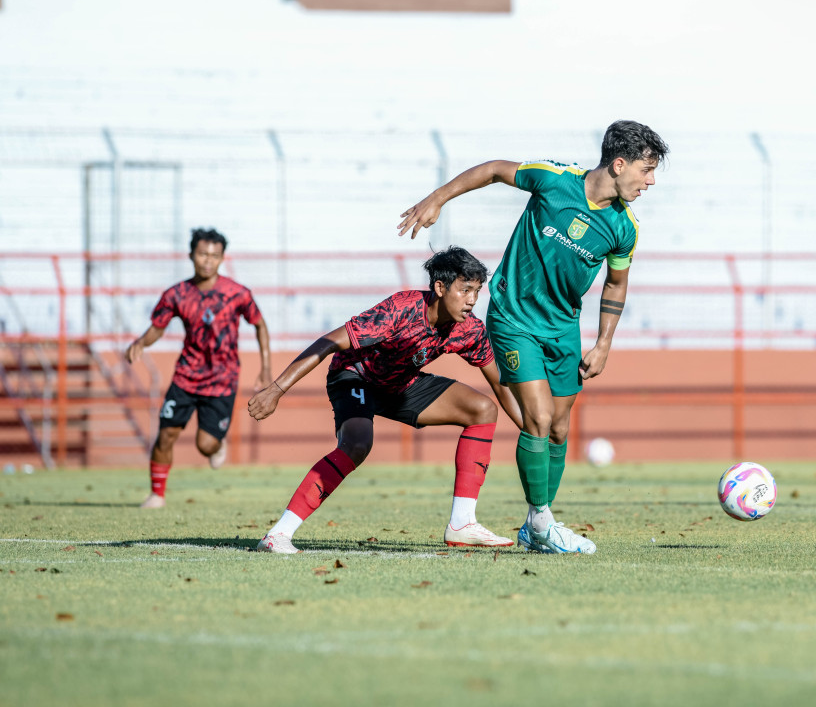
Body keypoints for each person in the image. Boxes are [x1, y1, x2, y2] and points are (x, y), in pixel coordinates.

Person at [397, 120, 669, 554]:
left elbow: (616, 285)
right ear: (619, 165)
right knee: (538, 419)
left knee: (559, 430)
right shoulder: (553, 179)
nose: (651, 181)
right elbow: (492, 170)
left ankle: (533, 526)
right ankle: (544, 523)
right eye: (646, 170)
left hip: (562, 329)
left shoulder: (625, 228)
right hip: (514, 317)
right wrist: (437, 198)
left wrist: (603, 343)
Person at [249, 246, 523, 554]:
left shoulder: (469, 328)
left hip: (399, 384)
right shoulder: (401, 309)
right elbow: (327, 343)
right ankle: (278, 534)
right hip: (355, 376)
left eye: (476, 291)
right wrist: (276, 389)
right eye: (465, 290)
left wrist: (532, 431)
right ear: (440, 287)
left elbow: (500, 384)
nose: (472, 300)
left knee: (482, 409)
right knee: (356, 444)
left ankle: (462, 523)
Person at [126, 227, 271, 508]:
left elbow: (260, 325)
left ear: (222, 259)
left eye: (214, 256)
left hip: (222, 379)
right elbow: (158, 327)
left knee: (205, 445)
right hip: (186, 376)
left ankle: (218, 442)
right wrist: (142, 343)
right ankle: (157, 494)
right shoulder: (177, 294)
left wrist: (266, 368)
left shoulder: (237, 293)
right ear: (191, 255)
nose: (208, 261)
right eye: (203, 254)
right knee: (166, 433)